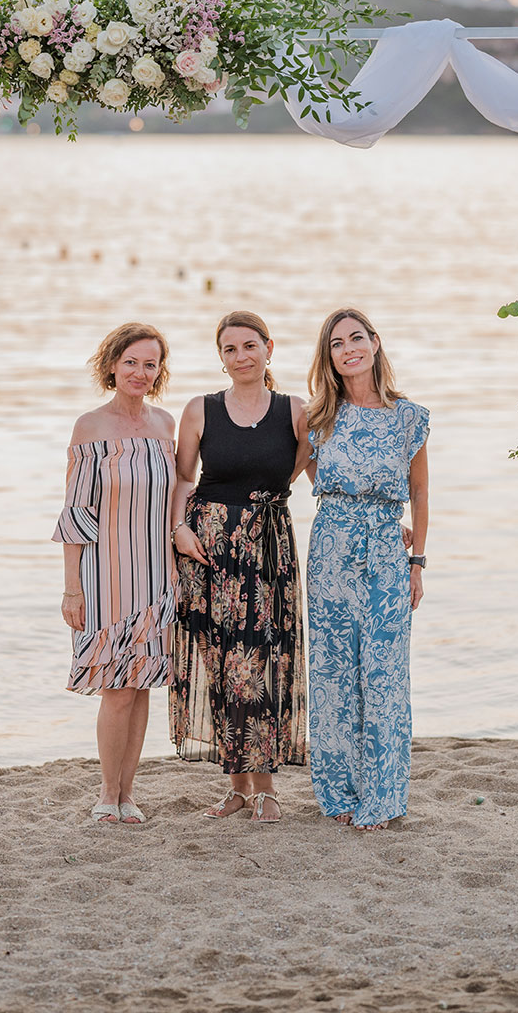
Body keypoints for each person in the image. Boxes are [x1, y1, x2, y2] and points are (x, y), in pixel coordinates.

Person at [170, 311, 309, 822]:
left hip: (268, 550)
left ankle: (267, 788)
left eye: (250, 345)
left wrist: (391, 522)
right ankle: (236, 787)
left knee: (261, 665)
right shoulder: (200, 409)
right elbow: (184, 479)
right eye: (230, 349)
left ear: (269, 348)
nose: (241, 357)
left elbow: (319, 473)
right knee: (220, 663)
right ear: (221, 357)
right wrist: (178, 530)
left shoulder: (296, 411)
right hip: (208, 550)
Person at [305, 307, 429, 831]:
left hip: (384, 551)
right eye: (337, 343)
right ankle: (341, 794)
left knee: (383, 674)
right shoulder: (316, 418)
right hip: (329, 553)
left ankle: (382, 798)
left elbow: (420, 491)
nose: (348, 348)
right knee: (333, 673)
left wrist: (417, 558)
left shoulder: (409, 416)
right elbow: (306, 474)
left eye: (357, 338)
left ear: (375, 343)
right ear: (328, 357)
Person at [53, 323, 176, 825]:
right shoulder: (89, 428)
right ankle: (107, 793)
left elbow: (175, 504)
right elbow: (75, 513)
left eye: (150, 364)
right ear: (111, 365)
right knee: (116, 690)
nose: (140, 373)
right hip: (105, 578)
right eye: (131, 362)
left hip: (157, 576)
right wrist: (71, 588)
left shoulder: (167, 425)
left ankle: (129, 793)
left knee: (143, 685)